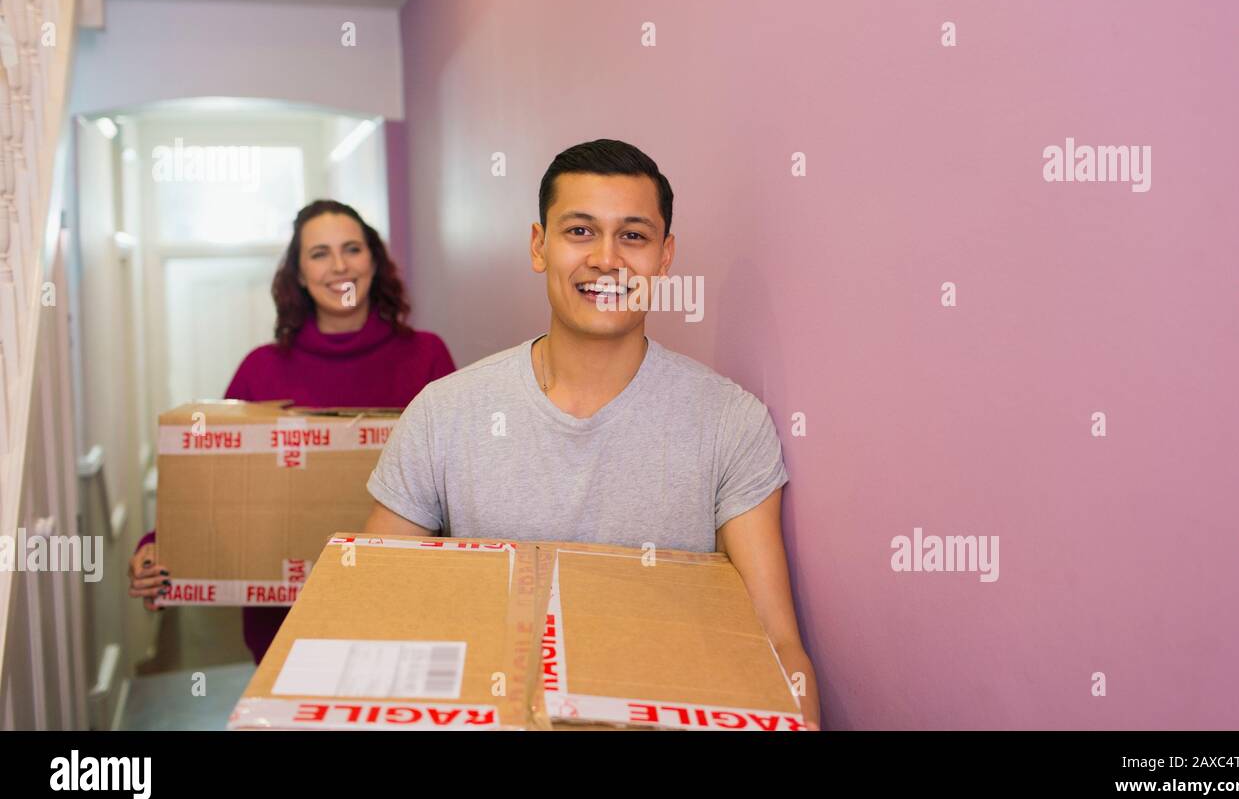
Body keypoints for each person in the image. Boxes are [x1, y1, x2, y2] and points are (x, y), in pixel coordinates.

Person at [361, 139, 821, 728]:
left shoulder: (730, 423)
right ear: (538, 246)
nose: (607, 259)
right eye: (580, 231)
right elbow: (373, 602)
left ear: (665, 255)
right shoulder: (444, 412)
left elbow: (776, 644)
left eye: (633, 236)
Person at [127, 199, 455, 664]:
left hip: (400, 611)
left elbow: (459, 481)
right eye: (319, 253)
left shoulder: (426, 357)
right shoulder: (262, 369)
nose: (339, 265)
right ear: (299, 275)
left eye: (352, 249)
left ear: (374, 260)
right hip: (285, 624)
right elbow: (214, 484)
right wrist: (158, 547)